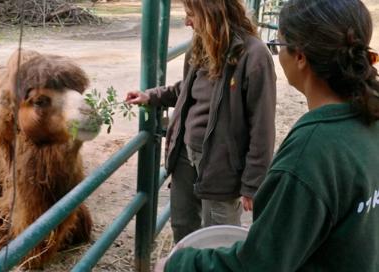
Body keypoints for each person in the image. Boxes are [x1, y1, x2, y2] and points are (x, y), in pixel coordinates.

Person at [156, 0, 379, 271]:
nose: (275, 50)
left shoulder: (309, 156)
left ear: (300, 57)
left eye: (279, 43)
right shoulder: (367, 123)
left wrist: (178, 264)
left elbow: (258, 263)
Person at [126, 0, 276, 243]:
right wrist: (151, 96)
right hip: (184, 155)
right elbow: (186, 89)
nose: (187, 22)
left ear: (211, 13)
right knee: (183, 225)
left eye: (190, 15)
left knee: (218, 236)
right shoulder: (200, 46)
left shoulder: (254, 55)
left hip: (222, 166)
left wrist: (253, 183)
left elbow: (263, 127)